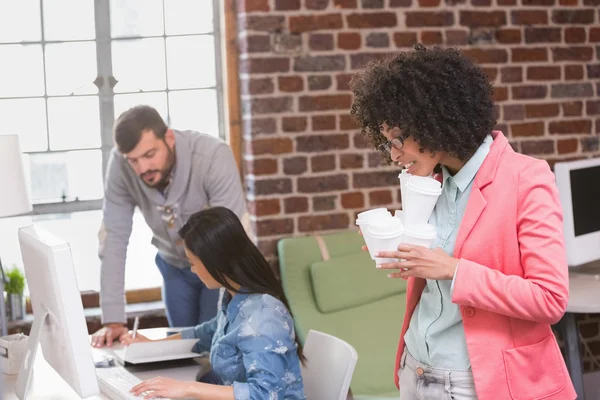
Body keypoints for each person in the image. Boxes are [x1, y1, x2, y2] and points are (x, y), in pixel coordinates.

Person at [349, 44, 575, 400]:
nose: (392, 154)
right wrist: (401, 250)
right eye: (386, 142)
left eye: (396, 139)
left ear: (431, 122)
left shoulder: (526, 178)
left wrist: (454, 269)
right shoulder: (432, 185)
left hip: (474, 384)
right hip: (415, 370)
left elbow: (550, 299)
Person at [91, 105, 248, 348]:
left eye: (150, 154)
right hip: (174, 267)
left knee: (214, 345)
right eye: (133, 160)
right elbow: (113, 237)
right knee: (179, 350)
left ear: (169, 138)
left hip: (217, 267)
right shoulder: (120, 165)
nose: (142, 168)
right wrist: (113, 321)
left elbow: (230, 243)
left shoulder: (213, 156)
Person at [119, 206, 306, 399]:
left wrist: (188, 388)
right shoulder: (234, 298)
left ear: (215, 260)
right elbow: (206, 334)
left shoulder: (263, 316)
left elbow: (266, 394)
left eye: (192, 263)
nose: (192, 270)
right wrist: (152, 345)